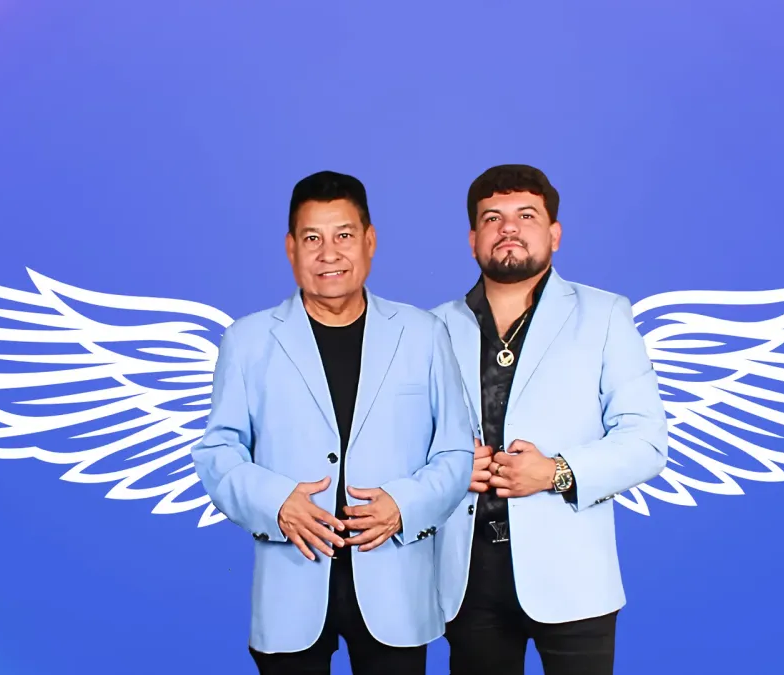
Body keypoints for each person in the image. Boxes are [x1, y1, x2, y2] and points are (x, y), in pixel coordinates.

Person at [191, 170, 474, 675]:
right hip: (290, 582)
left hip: (395, 584)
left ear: (370, 241)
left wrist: (403, 506)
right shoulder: (248, 341)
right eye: (312, 239)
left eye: (343, 235)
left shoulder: (423, 334)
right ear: (290, 248)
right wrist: (276, 502)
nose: (329, 254)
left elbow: (455, 452)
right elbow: (218, 455)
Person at [432, 164, 669, 674]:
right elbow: (406, 441)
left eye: (526, 216)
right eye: (492, 218)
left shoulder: (604, 314)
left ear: (555, 234)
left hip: (574, 575)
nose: (508, 228)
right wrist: (448, 469)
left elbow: (646, 441)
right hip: (465, 578)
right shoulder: (431, 327)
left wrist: (556, 471)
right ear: (473, 240)